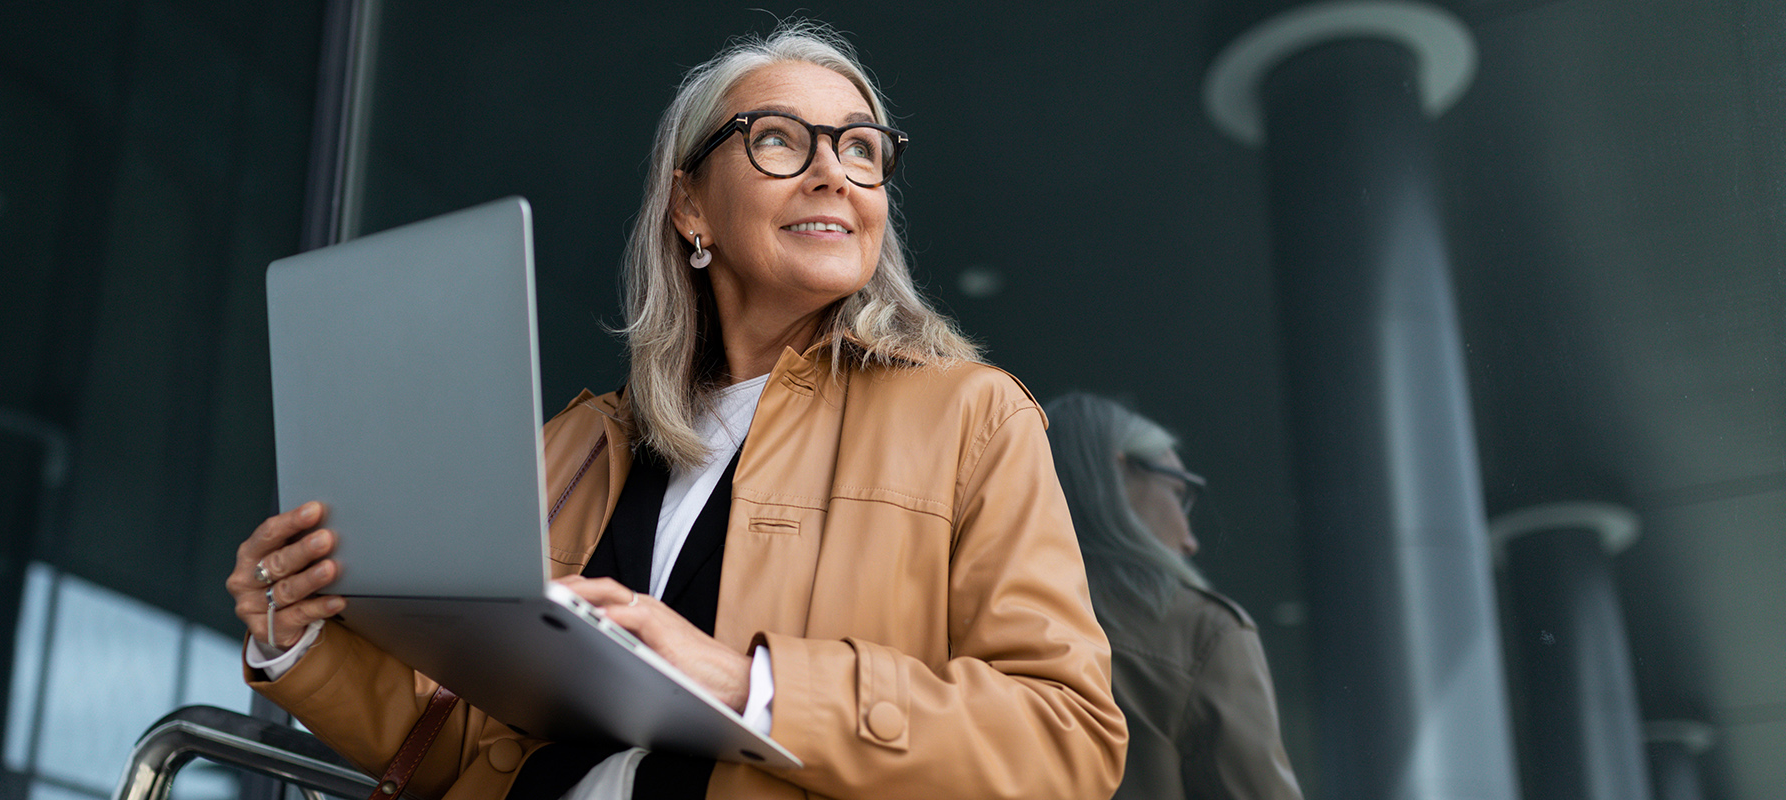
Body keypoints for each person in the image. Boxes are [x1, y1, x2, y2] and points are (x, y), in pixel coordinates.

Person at [225, 22, 1127, 800]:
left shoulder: (972, 419)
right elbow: (467, 749)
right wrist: (297, 644)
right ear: (689, 204)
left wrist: (750, 685)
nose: (832, 173)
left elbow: (1068, 741)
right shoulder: (578, 445)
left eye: (860, 147)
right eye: (780, 139)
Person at [1042, 392, 1302, 800]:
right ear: (1119, 473)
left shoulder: (966, 623)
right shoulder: (1202, 633)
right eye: (1179, 492)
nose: (1190, 539)